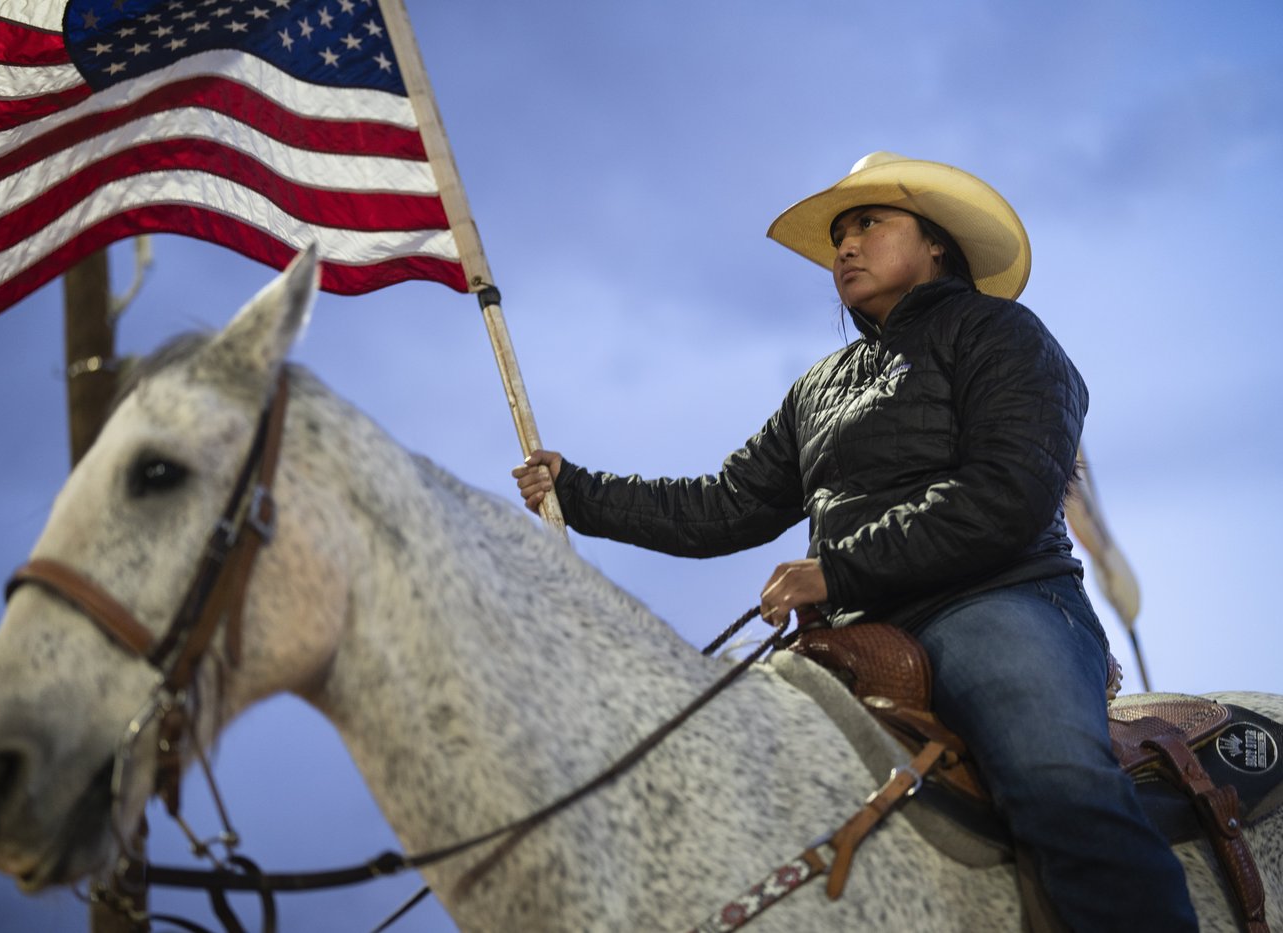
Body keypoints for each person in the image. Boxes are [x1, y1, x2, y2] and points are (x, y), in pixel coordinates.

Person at [512, 152, 1198, 931]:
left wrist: (836, 569)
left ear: (937, 244)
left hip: (1000, 600)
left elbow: (1004, 496)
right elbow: (723, 505)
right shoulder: (818, 387)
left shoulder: (1004, 334)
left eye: (869, 223)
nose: (845, 246)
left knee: (1061, 785)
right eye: (839, 233)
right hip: (854, 630)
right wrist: (580, 489)